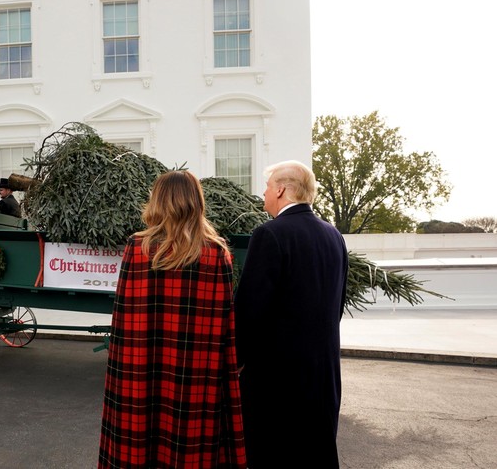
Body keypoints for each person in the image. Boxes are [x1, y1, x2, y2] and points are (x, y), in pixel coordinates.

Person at [99, 171, 246, 468]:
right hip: (195, 376)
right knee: (188, 447)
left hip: (140, 371)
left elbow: (123, 321)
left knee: (138, 441)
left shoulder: (137, 248)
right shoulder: (216, 253)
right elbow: (224, 327)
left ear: (157, 202)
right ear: (197, 202)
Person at [234, 160, 348, 467]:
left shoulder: (269, 234)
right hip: (323, 374)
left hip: (277, 380)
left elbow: (250, 309)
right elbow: (336, 305)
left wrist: (238, 361)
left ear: (281, 189)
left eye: (268, 187)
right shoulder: (334, 236)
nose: (264, 194)